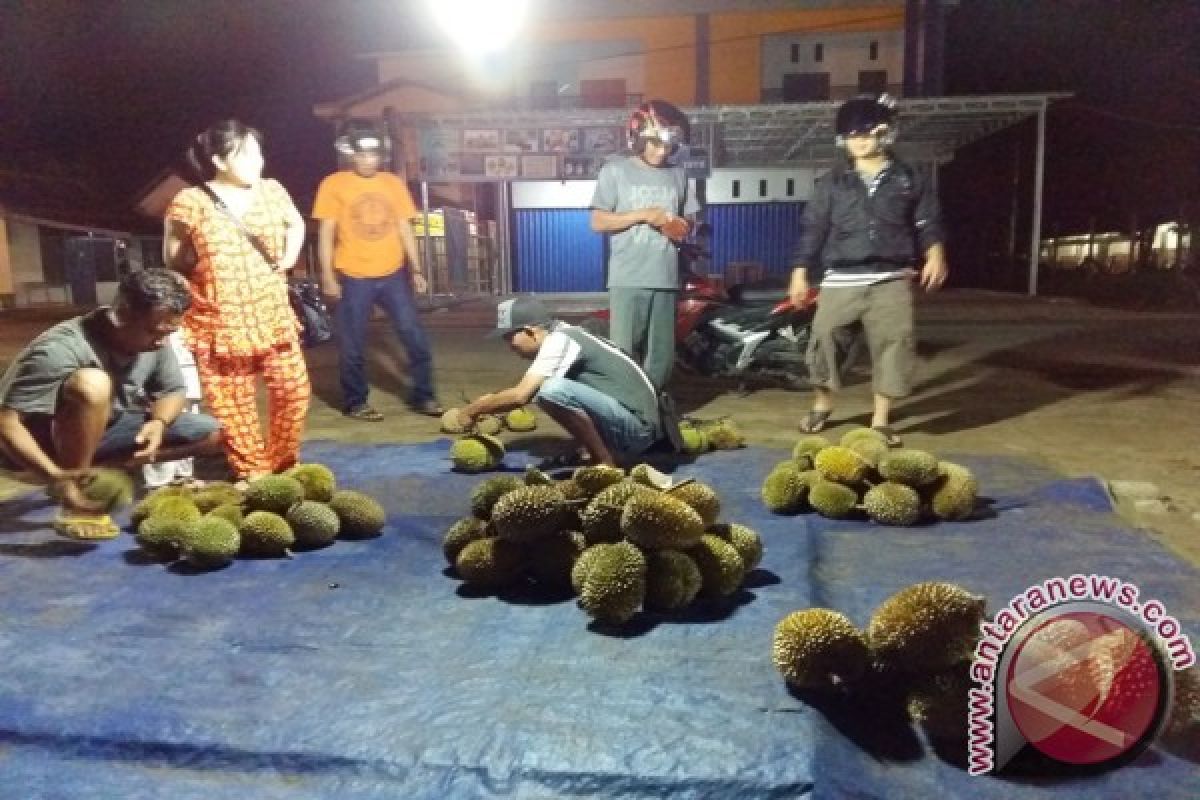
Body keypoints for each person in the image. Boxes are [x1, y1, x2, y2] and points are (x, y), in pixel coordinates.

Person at [0, 269, 222, 540]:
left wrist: (158, 423)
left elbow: (172, 390)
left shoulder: (155, 341)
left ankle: (99, 471)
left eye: (169, 331)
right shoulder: (60, 348)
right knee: (93, 384)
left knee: (212, 434)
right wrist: (54, 476)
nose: (162, 341)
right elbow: (7, 423)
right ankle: (75, 491)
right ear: (123, 314)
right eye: (155, 331)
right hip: (42, 442)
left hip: (105, 428)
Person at [787, 94, 948, 446]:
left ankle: (881, 421)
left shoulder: (908, 177)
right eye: (850, 136)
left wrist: (935, 254)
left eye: (865, 134)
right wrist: (799, 271)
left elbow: (927, 221)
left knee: (893, 344)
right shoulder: (831, 183)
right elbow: (813, 229)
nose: (858, 142)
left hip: (891, 278)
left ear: (884, 134)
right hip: (840, 279)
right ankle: (823, 403)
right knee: (824, 340)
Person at [163, 119, 311, 484]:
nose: (258, 161)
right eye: (247, 155)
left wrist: (289, 257)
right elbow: (174, 255)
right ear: (219, 159)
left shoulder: (273, 190)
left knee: (293, 391)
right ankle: (252, 472)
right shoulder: (191, 202)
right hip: (221, 319)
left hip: (272, 312)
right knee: (233, 404)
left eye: (259, 153)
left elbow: (296, 224)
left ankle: (281, 464)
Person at [312, 118, 443, 421]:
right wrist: (328, 277)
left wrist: (418, 269)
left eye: (373, 155)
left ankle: (425, 396)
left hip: (393, 274)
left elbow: (405, 228)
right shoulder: (334, 184)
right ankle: (356, 402)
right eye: (361, 155)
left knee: (413, 334)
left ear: (380, 156)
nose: (367, 161)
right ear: (351, 155)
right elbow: (326, 234)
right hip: (354, 276)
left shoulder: (392, 184)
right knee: (352, 341)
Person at [452, 298, 662, 468]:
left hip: (638, 430)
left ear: (530, 331)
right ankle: (602, 450)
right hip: (634, 422)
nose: (510, 347)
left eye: (510, 338)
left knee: (550, 391)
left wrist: (472, 410)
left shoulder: (559, 340)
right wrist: (492, 401)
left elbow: (520, 396)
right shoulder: (565, 332)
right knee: (547, 389)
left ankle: (605, 462)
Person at [590, 100, 700, 391]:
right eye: (653, 143)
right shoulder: (615, 171)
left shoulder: (679, 175)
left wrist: (680, 226)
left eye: (668, 146)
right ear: (637, 137)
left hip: (666, 278)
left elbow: (690, 222)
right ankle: (623, 408)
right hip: (628, 278)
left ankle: (653, 407)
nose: (661, 151)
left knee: (662, 356)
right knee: (623, 353)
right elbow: (598, 221)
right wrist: (643, 215)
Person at [140, 331, 203, 488]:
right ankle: (158, 483)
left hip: (183, 354)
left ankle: (184, 475)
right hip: (152, 358)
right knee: (153, 416)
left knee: (188, 417)